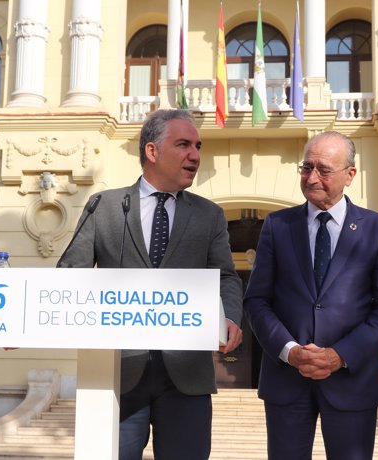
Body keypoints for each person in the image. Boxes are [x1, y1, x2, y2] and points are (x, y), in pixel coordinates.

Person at [57, 109, 243, 460]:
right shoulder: (106, 206)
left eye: (198, 146)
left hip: (187, 377)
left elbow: (226, 276)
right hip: (117, 373)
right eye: (184, 144)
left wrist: (230, 315)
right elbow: (71, 273)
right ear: (152, 151)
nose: (195, 155)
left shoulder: (209, 214)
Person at [244, 131, 378, 460]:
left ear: (350, 174)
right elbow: (257, 301)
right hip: (287, 380)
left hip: (352, 381)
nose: (312, 177)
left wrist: (339, 354)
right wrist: (290, 351)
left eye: (324, 169)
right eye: (306, 167)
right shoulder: (277, 225)